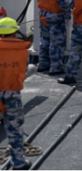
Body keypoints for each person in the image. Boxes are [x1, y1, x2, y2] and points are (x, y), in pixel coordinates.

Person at [0, 17, 31, 171]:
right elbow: (23, 71)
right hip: (12, 94)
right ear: (14, 33)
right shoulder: (23, 51)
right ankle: (18, 163)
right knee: (14, 129)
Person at [35, 0, 72, 76]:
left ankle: (43, 64)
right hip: (55, 17)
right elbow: (64, 3)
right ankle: (55, 67)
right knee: (56, 43)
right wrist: (68, 16)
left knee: (44, 41)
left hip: (43, 16)